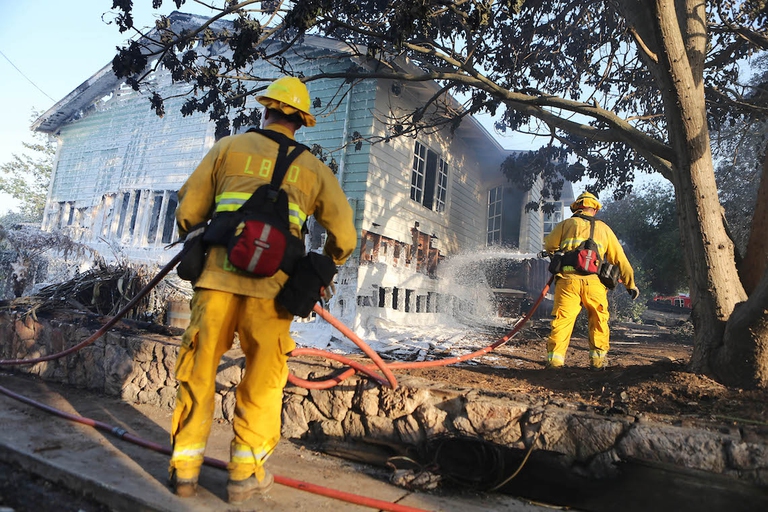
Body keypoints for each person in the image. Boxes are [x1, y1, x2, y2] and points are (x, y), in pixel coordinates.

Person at [170, 76, 357, 503]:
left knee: (198, 373)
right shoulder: (314, 169)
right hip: (273, 293)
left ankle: (184, 471)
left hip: (216, 281)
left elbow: (189, 211)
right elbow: (344, 235)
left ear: (266, 110)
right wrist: (326, 264)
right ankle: (243, 477)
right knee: (264, 381)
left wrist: (195, 232)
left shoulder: (227, 149)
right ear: (302, 123)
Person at [542, 191, 638, 371]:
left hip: (568, 281)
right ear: (594, 209)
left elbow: (549, 246)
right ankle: (598, 362)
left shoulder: (567, 224)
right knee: (599, 319)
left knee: (563, 320)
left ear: (577, 207)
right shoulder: (604, 229)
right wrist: (630, 284)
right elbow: (620, 259)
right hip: (595, 284)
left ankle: (555, 362)